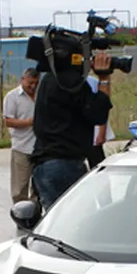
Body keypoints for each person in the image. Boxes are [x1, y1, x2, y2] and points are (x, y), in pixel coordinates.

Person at [30, 54, 114, 209]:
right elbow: (99, 114)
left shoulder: (50, 79)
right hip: (64, 164)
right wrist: (104, 78)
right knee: (75, 223)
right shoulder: (71, 82)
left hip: (44, 164)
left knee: (55, 221)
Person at [3, 69, 39, 203]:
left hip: (40, 147)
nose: (33, 86)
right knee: (20, 188)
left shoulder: (41, 95)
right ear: (22, 80)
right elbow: (8, 121)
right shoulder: (12, 97)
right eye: (30, 83)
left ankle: (36, 213)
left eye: (36, 83)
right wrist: (29, 122)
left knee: (39, 186)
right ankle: (22, 216)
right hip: (22, 147)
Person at [86, 74, 115, 169]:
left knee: (97, 164)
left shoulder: (92, 82)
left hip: (93, 133)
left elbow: (103, 108)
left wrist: (102, 133)